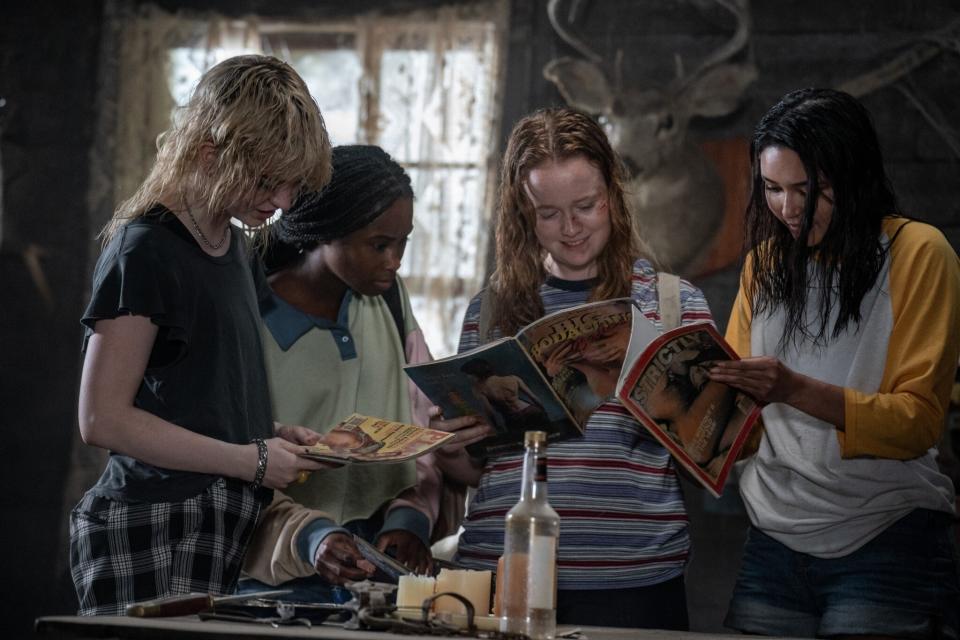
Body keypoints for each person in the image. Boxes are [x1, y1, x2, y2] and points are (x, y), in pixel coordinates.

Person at [69, 55, 333, 616]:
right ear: (210, 152)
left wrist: (271, 434)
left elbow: (193, 399)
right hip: (150, 526)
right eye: (268, 181)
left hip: (217, 526)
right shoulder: (144, 249)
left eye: (291, 184)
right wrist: (252, 460)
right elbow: (102, 419)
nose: (284, 201)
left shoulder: (236, 247)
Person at [432, 107, 714, 630]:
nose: (571, 229)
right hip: (500, 571)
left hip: (633, 579)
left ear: (614, 192)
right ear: (522, 211)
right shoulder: (489, 310)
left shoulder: (675, 304)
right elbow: (475, 470)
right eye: (548, 213)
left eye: (586, 205)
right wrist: (449, 451)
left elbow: (708, 461)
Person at [708, 88, 960, 639]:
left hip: (886, 536)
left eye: (810, 190)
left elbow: (918, 423)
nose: (788, 209)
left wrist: (794, 388)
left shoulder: (920, 253)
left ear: (855, 175)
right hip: (772, 538)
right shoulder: (765, 264)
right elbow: (739, 418)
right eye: (772, 189)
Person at [239, 145, 490, 603]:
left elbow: (424, 433)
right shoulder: (248, 321)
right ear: (324, 233)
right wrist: (311, 538)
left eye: (403, 242)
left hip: (376, 579)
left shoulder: (392, 303)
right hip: (271, 586)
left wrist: (408, 522)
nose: (395, 261)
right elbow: (231, 466)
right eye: (379, 245)